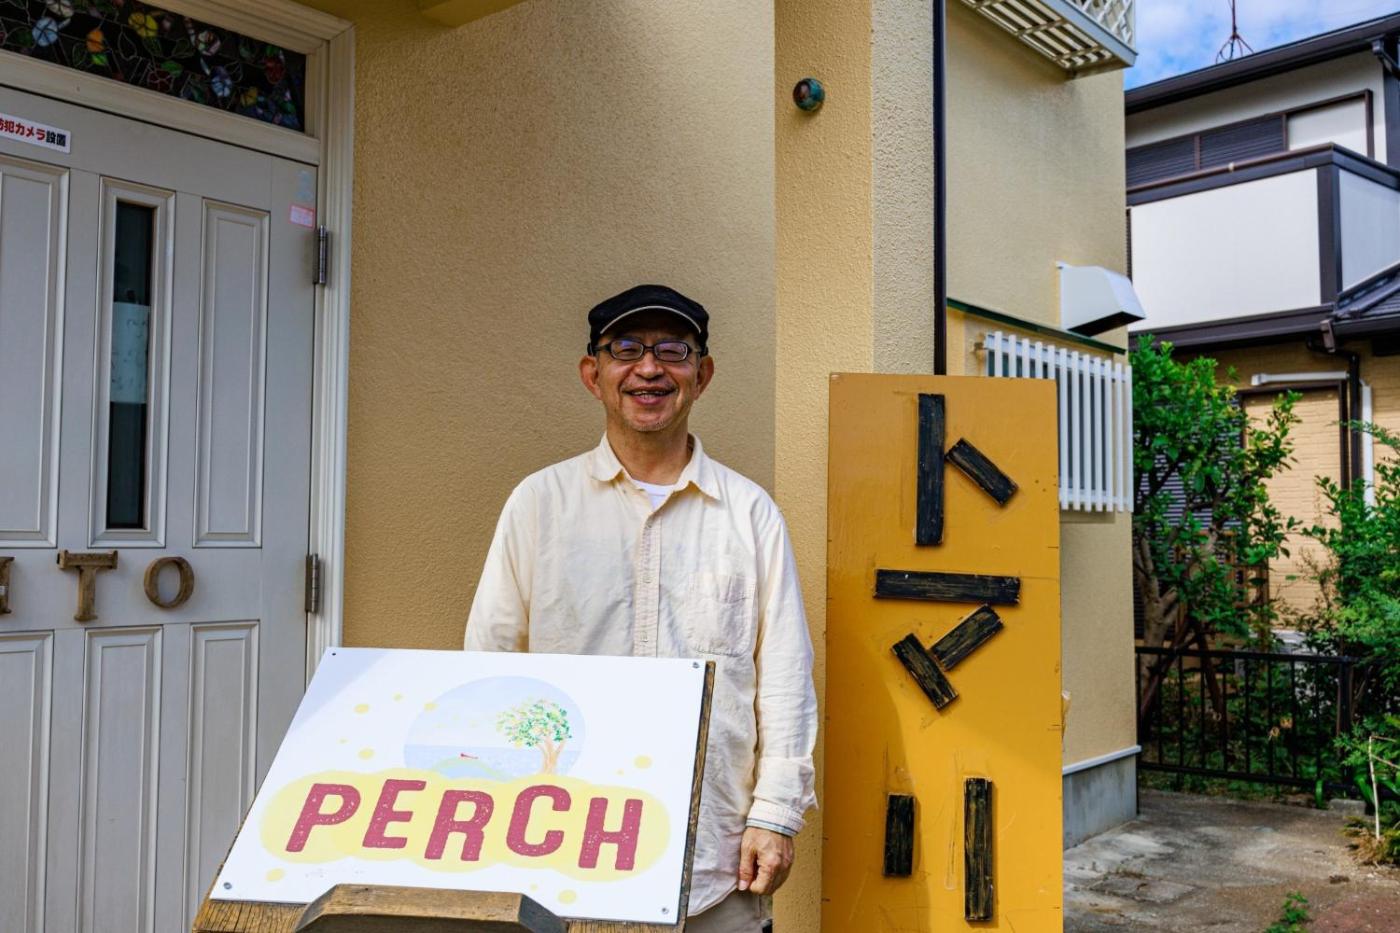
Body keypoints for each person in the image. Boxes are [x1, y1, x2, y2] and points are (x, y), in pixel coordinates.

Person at [465, 284, 817, 932]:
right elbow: (487, 665)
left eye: (672, 350)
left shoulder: (750, 514)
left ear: (701, 375)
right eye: (626, 349)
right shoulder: (539, 504)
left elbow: (785, 678)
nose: (649, 368)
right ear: (592, 374)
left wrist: (775, 814)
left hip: (712, 867)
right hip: (562, 850)